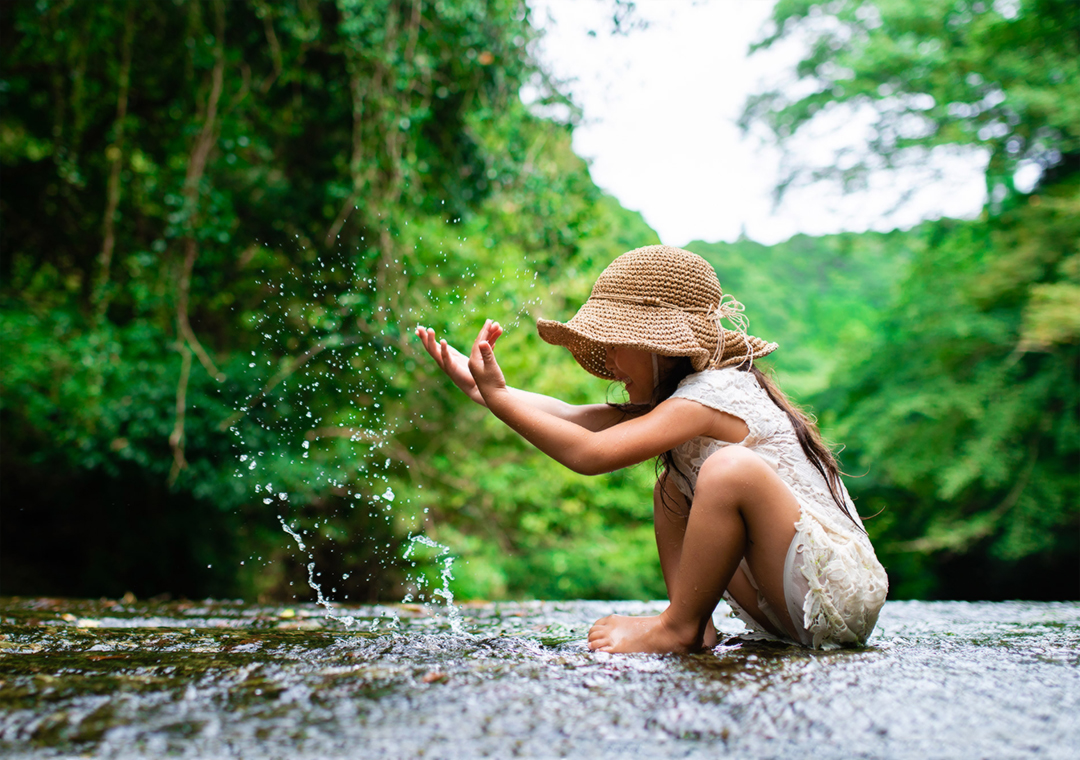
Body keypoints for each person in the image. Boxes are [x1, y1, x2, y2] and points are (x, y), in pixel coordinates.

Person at [415, 245, 888, 653]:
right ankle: (697, 624)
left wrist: (498, 398)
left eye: (619, 344)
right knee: (674, 488)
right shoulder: (677, 402)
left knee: (728, 470)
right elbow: (572, 416)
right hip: (786, 601)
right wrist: (486, 392)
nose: (612, 361)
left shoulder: (713, 394)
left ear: (663, 345)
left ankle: (677, 627)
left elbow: (589, 453)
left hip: (830, 595)